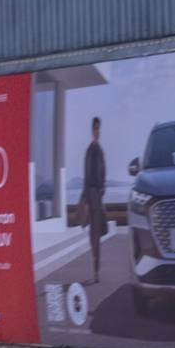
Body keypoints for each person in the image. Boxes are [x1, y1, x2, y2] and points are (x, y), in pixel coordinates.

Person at [79, 118, 109, 284]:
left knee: (96, 234)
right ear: (92, 130)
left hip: (97, 195)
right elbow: (86, 175)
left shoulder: (100, 150)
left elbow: (104, 173)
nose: (97, 132)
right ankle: (95, 266)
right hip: (90, 195)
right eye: (95, 129)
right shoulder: (90, 150)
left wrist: (101, 192)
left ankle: (96, 270)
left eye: (98, 129)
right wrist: (85, 199)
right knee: (92, 235)